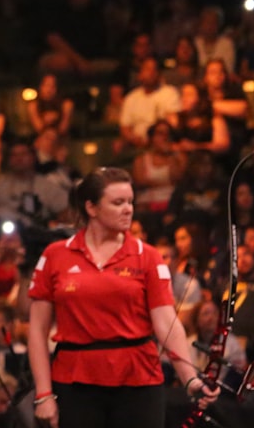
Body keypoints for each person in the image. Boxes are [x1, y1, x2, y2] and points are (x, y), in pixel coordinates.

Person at [27, 167, 217, 428]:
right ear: (91, 208)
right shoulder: (55, 255)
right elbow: (37, 330)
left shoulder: (148, 256)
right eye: (118, 203)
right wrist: (43, 394)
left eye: (130, 202)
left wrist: (190, 378)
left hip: (139, 382)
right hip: (74, 382)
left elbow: (167, 324)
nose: (128, 209)